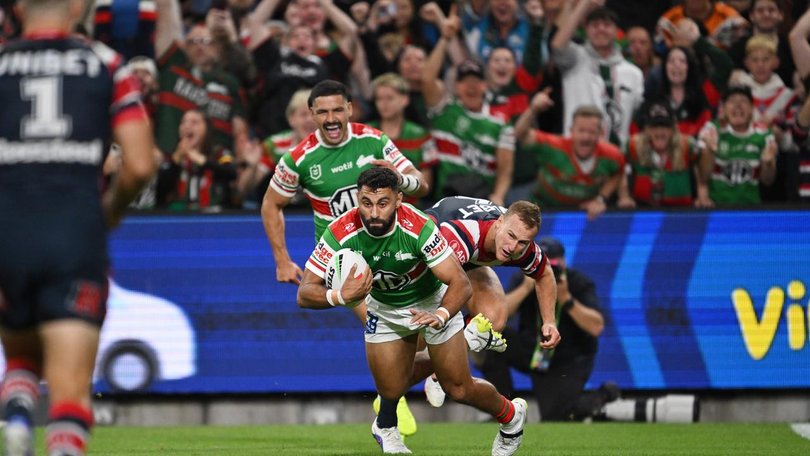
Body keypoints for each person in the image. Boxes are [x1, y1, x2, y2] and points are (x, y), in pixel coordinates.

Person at [0, 0, 156, 454]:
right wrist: (109, 210)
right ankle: (58, 437)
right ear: (76, 7)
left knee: (23, 348)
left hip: (9, 230)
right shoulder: (104, 63)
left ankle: (17, 408)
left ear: (19, 7)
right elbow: (141, 165)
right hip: (75, 230)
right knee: (70, 390)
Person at [298, 167, 529, 455]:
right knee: (392, 390)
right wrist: (338, 295)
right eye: (366, 203)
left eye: (382, 203)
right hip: (383, 308)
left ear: (398, 200)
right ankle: (386, 427)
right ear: (358, 200)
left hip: (432, 300)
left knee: (458, 388)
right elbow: (305, 292)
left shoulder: (418, 226)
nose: (373, 213)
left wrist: (441, 315)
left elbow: (460, 282)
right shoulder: (340, 231)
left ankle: (511, 417)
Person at [260, 79, 428, 436]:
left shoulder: (374, 141)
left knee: (418, 333)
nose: (331, 117)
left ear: (351, 108)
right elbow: (271, 204)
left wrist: (401, 179)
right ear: (312, 114)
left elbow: (419, 182)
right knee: (386, 327)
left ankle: (396, 396)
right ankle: (392, 409)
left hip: (392, 250)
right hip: (345, 259)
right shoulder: (299, 160)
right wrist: (281, 260)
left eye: (338, 109)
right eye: (323, 111)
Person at [417, 196, 560, 408]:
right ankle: (392, 397)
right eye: (511, 236)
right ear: (499, 222)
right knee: (419, 336)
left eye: (522, 242)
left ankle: (439, 373)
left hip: (468, 259)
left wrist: (549, 321)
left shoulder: (519, 243)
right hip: (433, 249)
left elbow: (545, 274)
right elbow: (447, 284)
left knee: (493, 318)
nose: (513, 247)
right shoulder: (462, 233)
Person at [481, 238, 618, 421]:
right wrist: (525, 288)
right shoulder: (523, 279)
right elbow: (497, 316)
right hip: (532, 350)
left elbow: (597, 327)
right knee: (486, 336)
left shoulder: (578, 283)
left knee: (556, 417)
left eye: (552, 264)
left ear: (563, 262)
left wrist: (566, 298)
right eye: (542, 263)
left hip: (567, 358)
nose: (548, 269)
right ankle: (504, 408)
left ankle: (601, 397)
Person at [422, 9, 515, 205]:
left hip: (482, 201)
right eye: (465, 81)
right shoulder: (444, 110)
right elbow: (427, 79)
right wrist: (444, 39)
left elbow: (505, 169)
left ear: (485, 85)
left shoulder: (501, 123)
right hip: (446, 200)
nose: (471, 86)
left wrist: (498, 196)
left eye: (476, 81)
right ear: (456, 86)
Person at [515, 94, 625, 220]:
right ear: (571, 130)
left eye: (591, 132)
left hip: (582, 215)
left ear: (601, 133)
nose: (586, 137)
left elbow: (618, 173)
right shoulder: (553, 147)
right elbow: (520, 134)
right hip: (542, 209)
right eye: (581, 131)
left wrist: (601, 198)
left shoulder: (612, 155)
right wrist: (533, 109)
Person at [551, 2, 644, 148]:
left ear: (615, 31)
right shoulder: (575, 58)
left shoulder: (634, 74)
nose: (601, 29)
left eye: (606, 25)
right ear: (586, 30)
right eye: (594, 25)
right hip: (575, 155)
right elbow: (557, 45)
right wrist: (584, 4)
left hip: (615, 159)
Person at [697, 84, 778, 205]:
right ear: (723, 109)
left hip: (750, 208)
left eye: (743, 101)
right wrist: (709, 151)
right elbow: (703, 176)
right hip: (717, 207)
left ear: (751, 108)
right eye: (732, 101)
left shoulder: (764, 134)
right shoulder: (712, 130)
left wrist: (768, 163)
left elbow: (767, 181)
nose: (738, 105)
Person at [618, 100, 706, 208]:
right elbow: (618, 168)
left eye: (665, 126)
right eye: (654, 126)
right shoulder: (633, 145)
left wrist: (702, 196)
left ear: (673, 129)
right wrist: (624, 196)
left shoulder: (687, 145)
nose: (660, 132)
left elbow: (702, 169)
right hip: (644, 211)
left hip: (680, 211)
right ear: (647, 130)